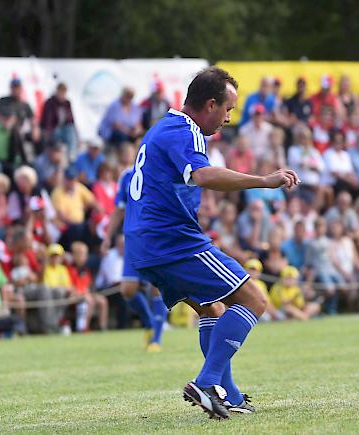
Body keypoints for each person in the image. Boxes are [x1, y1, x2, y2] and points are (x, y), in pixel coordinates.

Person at [123, 66, 299, 419]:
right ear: (209, 105)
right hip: (172, 241)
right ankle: (206, 382)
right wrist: (264, 180)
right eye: (228, 109)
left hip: (146, 243)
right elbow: (202, 176)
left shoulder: (165, 128)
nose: (228, 119)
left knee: (212, 309)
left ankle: (227, 394)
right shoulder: (183, 130)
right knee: (254, 299)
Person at [101, 162, 168, 351]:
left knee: (157, 286)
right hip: (133, 238)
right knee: (127, 290)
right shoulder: (127, 176)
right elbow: (119, 209)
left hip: (156, 238)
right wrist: (108, 237)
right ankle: (148, 323)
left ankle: (156, 338)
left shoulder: (163, 171)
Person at [67, 242, 108, 332]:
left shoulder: (85, 269)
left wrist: (88, 292)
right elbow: (70, 286)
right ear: (74, 256)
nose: (84, 257)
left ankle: (102, 327)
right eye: (81, 255)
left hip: (86, 294)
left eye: (85, 254)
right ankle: (84, 327)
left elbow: (88, 285)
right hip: (75, 297)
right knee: (89, 300)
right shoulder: (70, 269)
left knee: (102, 300)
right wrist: (83, 293)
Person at [40, 83, 78, 160]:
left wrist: (77, 134)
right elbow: (48, 122)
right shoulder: (50, 103)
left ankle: (72, 154)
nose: (62, 95)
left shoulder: (67, 103)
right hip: (53, 130)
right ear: (57, 91)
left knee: (71, 129)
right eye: (60, 92)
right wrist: (49, 134)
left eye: (64, 93)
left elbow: (71, 120)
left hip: (65, 131)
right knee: (67, 130)